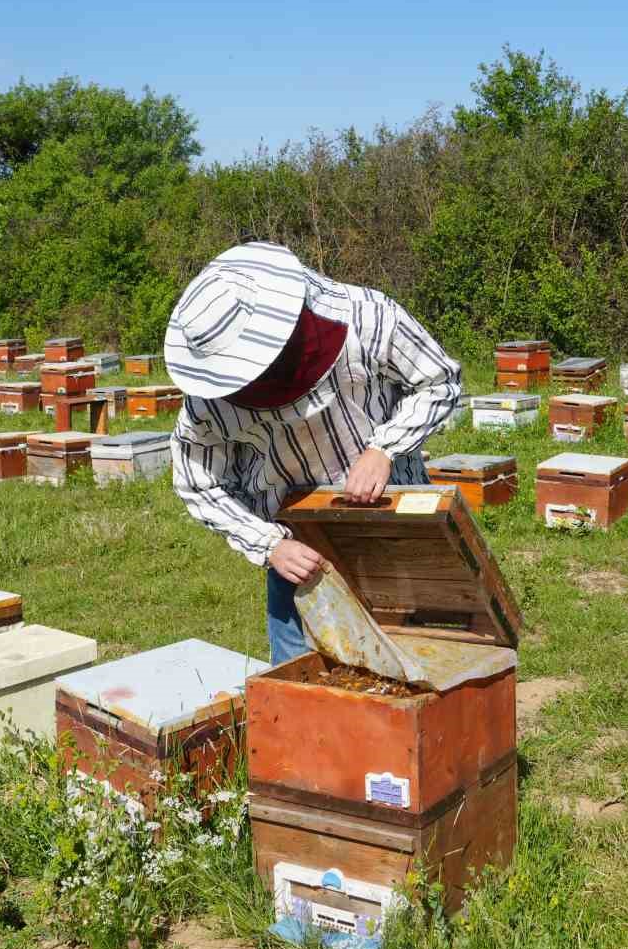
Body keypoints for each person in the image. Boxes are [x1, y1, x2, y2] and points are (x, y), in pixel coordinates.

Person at [166, 240, 462, 665]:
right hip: (299, 554)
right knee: (305, 697)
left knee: (421, 672)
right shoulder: (208, 404)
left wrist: (384, 447)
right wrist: (268, 545)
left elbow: (439, 381)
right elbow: (196, 479)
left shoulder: (369, 317)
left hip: (398, 528)